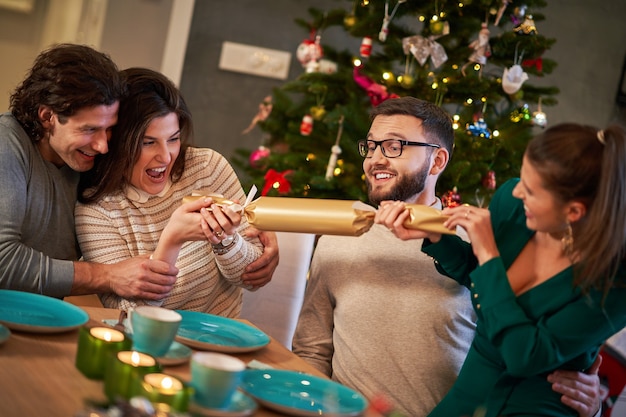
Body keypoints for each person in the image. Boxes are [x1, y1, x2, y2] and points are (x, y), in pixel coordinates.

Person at [293, 97, 603, 417]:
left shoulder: (483, 243)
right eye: (371, 147)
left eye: (394, 146)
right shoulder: (337, 240)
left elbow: (525, 348)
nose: (375, 159)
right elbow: (310, 351)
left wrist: (588, 403)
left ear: (438, 161)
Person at [375, 122, 626, 416]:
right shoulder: (513, 204)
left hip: (534, 407)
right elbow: (482, 279)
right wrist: (437, 237)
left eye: (531, 190)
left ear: (573, 212)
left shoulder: (615, 284)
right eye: (523, 176)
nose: (516, 190)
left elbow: (524, 355)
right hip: (469, 389)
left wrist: (489, 253)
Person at [0, 43, 277, 301]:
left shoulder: (88, 160)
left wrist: (258, 230)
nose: (103, 145)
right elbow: (3, 261)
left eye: (109, 129)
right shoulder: (7, 144)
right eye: (89, 130)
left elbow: (250, 259)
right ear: (47, 116)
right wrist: (107, 275)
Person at [75, 67, 268, 316]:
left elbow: (249, 278)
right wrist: (172, 241)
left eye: (173, 139)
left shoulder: (207, 167)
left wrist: (226, 240)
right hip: (141, 344)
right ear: (118, 143)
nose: (166, 157)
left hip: (218, 338)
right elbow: (128, 314)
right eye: (148, 142)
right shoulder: (97, 209)